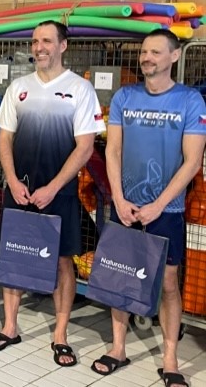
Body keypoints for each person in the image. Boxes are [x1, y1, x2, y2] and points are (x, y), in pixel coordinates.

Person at [0, 21, 105, 366]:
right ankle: (9, 327)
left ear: (63, 46)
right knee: (14, 256)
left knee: (63, 260)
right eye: (35, 41)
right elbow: (4, 138)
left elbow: (85, 147)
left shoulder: (80, 89)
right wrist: (11, 180)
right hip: (19, 189)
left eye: (47, 41)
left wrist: (54, 187)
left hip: (59, 193)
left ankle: (60, 335)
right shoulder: (19, 87)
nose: (39, 47)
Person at [91, 29, 205, 387]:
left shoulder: (190, 101)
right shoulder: (125, 97)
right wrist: (118, 198)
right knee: (120, 276)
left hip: (166, 210)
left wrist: (158, 205)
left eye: (155, 52)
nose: (146, 57)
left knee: (169, 283)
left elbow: (192, 161)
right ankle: (118, 348)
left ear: (174, 56)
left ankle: (170, 359)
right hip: (125, 205)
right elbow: (112, 150)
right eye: (144, 51)